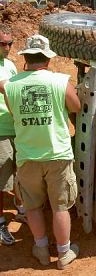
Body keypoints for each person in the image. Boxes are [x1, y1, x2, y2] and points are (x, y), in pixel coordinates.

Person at [0, 34, 81, 269]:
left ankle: (41, 248)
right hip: (58, 154)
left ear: (25, 57)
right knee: (60, 206)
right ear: (47, 59)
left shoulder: (11, 87)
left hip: (27, 156)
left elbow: (14, 114)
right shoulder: (59, 81)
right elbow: (75, 106)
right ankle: (64, 253)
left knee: (33, 206)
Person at [0, 24, 18, 245]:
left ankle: (22, 208)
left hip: (16, 126)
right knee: (2, 178)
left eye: (10, 43)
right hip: (0, 130)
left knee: (20, 170)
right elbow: (6, 88)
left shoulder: (11, 64)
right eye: (2, 44)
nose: (7, 47)